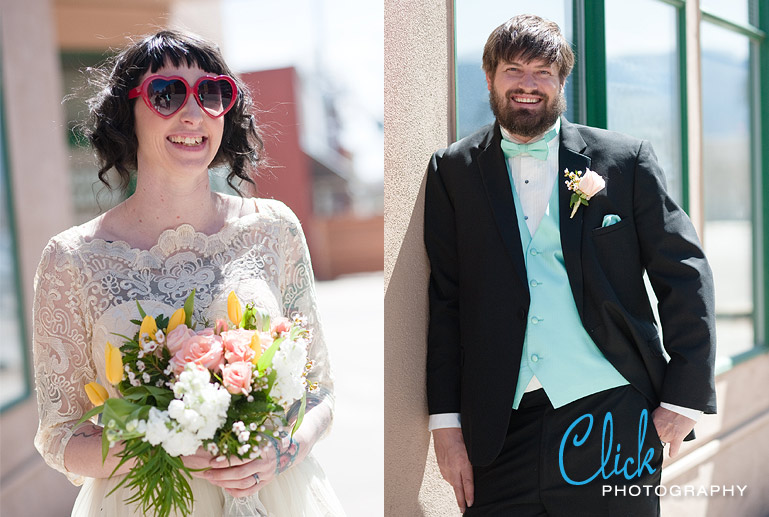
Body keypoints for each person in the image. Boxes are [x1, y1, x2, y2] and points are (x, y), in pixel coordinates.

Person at [32, 29, 346, 516]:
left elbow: (319, 390)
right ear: (126, 114)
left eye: (212, 92)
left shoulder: (274, 228)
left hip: (276, 498)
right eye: (167, 94)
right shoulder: (71, 260)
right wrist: (162, 442)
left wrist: (282, 452)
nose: (194, 113)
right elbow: (60, 434)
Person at [424, 14, 716, 516]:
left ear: (562, 81)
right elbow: (446, 301)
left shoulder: (623, 161)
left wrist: (683, 399)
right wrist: (446, 425)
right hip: (499, 427)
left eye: (544, 71)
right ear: (490, 75)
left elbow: (684, 272)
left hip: (612, 415)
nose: (528, 85)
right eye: (514, 70)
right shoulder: (453, 170)